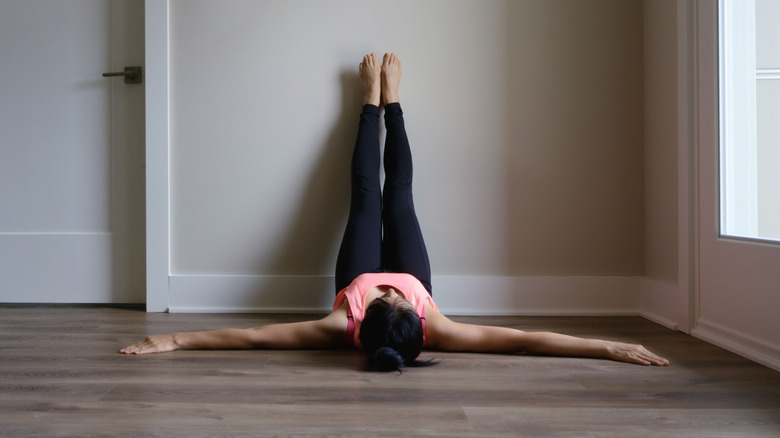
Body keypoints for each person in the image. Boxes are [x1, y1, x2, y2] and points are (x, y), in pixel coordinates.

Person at [121, 53, 670, 371]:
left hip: (349, 274)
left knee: (366, 194)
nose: (390, 288)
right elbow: (524, 339)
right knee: (400, 194)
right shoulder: (435, 324)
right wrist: (607, 346)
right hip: (419, 271)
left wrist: (177, 339)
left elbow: (255, 337)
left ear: (362, 321)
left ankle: (367, 103)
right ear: (420, 322)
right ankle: (395, 102)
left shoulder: (341, 322)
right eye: (395, 296)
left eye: (387, 297)